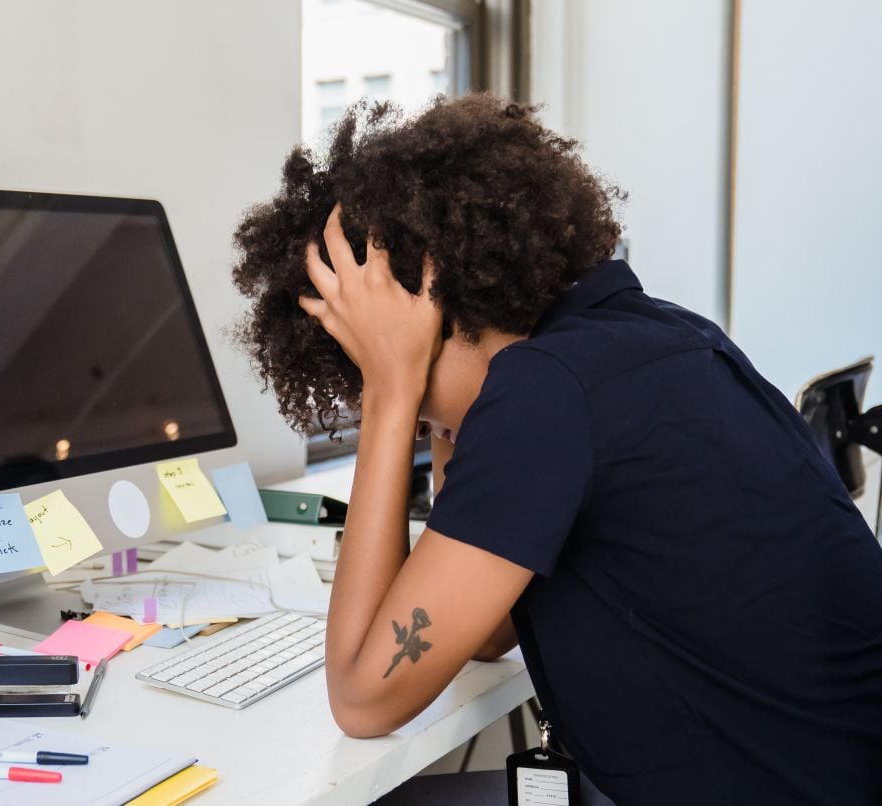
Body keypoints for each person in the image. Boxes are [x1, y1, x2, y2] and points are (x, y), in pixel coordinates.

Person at [230, 94, 882, 805]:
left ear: (434, 311)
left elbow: (362, 696)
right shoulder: (653, 336)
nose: (410, 415)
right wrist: (437, 412)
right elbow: (484, 631)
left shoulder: (545, 395)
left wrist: (392, 388)